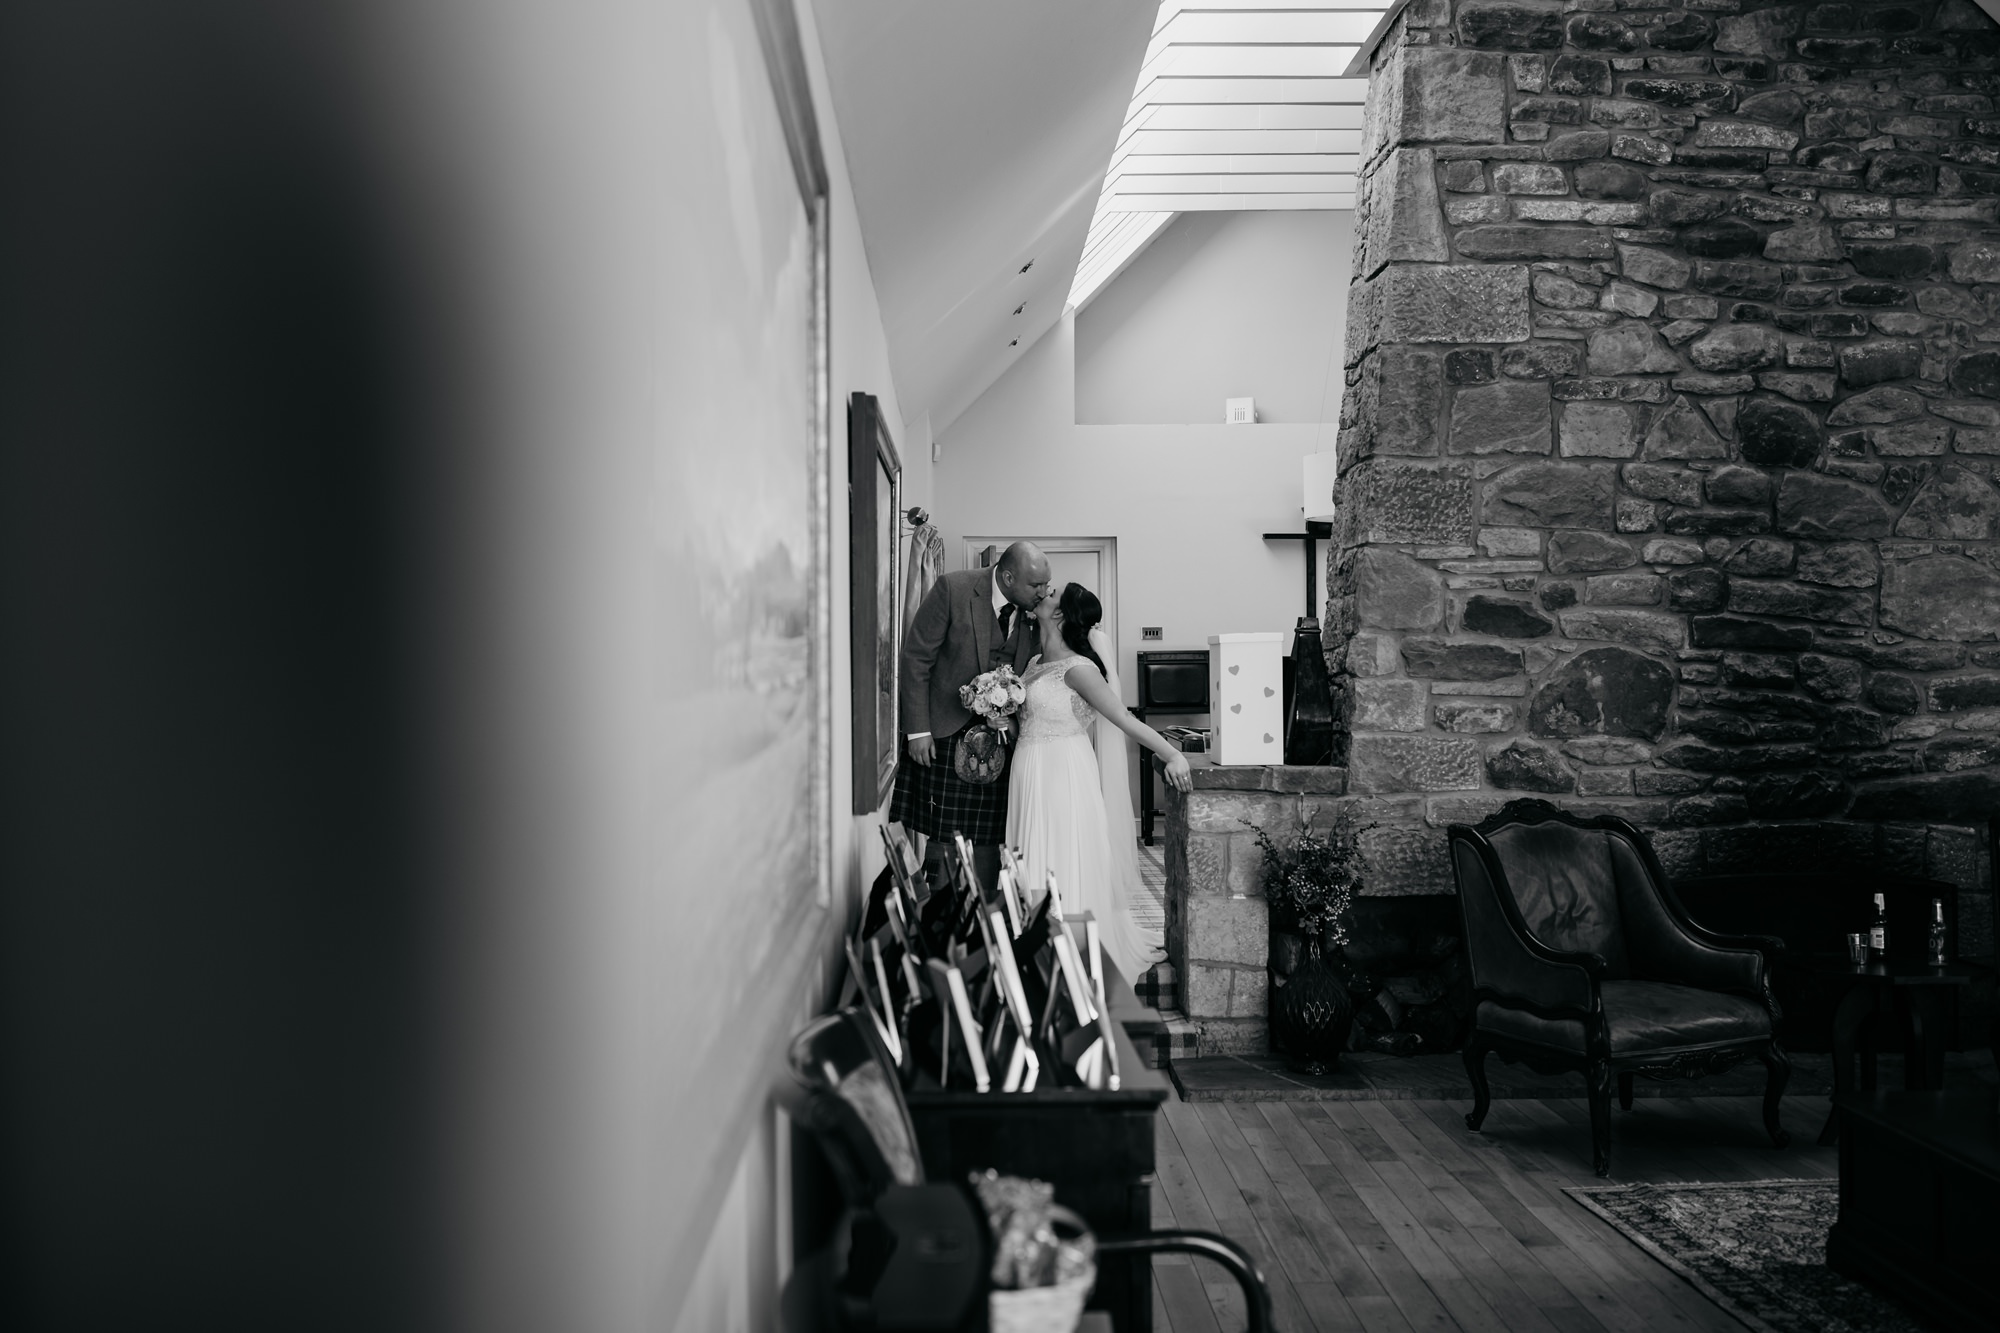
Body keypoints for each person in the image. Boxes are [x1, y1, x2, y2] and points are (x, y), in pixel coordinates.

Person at [1008, 582, 1191, 982]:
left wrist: (1172, 753)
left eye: (1053, 593)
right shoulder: (1036, 660)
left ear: (1060, 614)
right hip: (1028, 769)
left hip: (1062, 773)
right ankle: (1034, 944)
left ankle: (1067, 952)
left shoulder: (1080, 669)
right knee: (1031, 854)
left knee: (1058, 854)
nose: (1044, 594)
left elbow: (1124, 719)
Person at [891, 541, 1052, 890]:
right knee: (944, 838)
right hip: (944, 735)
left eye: (1046, 584)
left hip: (1004, 744)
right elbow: (916, 659)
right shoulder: (954, 588)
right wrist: (917, 731)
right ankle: (941, 913)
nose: (1044, 592)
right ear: (1008, 577)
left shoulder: (1035, 614)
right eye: (1036, 585)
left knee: (992, 839)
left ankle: (984, 917)